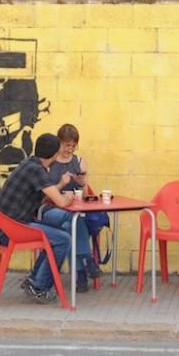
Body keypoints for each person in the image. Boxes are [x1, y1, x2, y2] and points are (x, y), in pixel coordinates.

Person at [0, 133, 78, 304]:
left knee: (56, 234)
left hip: (6, 224)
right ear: (54, 154)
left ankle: (35, 280)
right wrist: (70, 197)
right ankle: (40, 287)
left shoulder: (29, 164)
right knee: (63, 239)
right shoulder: (37, 170)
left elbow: (45, 195)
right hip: (12, 229)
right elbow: (61, 201)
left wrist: (60, 185)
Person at [37, 123, 100, 293]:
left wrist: (83, 184)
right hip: (52, 210)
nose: (70, 149)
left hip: (75, 209)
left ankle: (80, 272)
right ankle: (86, 263)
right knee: (73, 221)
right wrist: (61, 184)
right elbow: (44, 196)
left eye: (73, 145)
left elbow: (87, 196)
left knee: (70, 225)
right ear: (59, 143)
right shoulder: (49, 161)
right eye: (67, 145)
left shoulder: (79, 162)